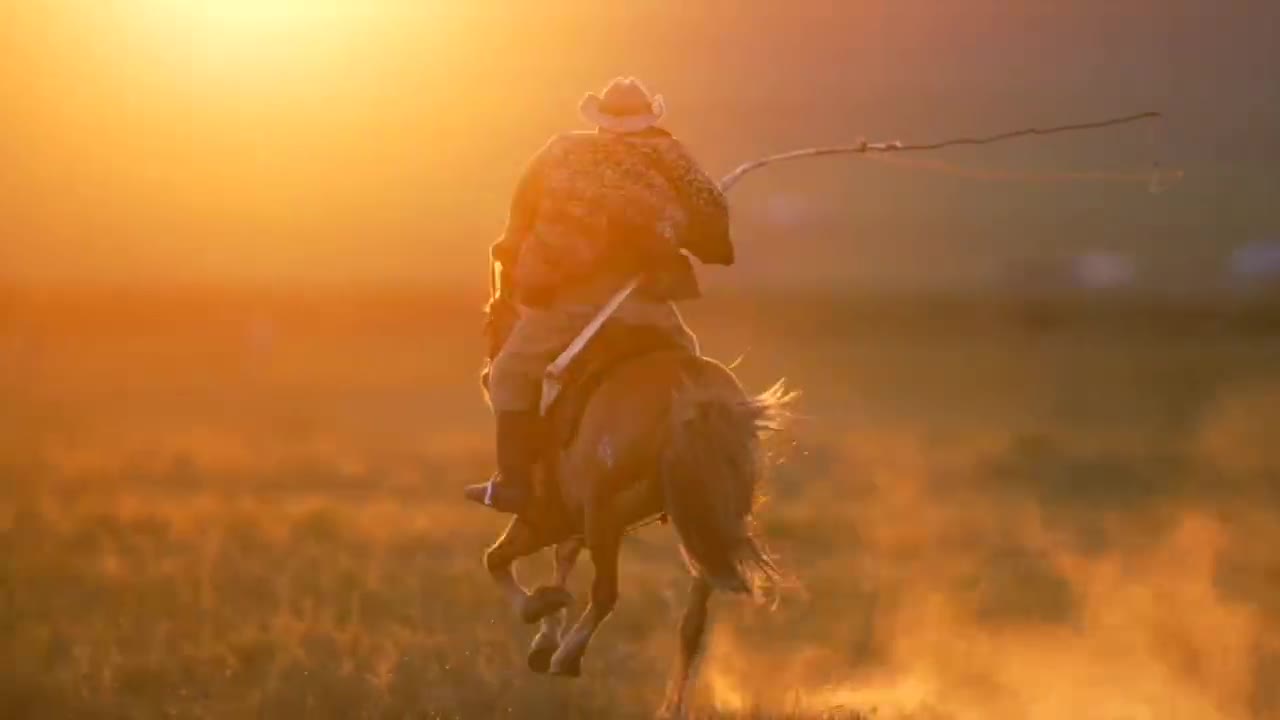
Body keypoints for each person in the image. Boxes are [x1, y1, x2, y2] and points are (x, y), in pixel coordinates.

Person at [463, 76, 735, 515]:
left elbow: (519, 225)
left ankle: (513, 484)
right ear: (649, 117)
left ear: (600, 119)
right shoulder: (672, 156)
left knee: (510, 374)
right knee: (689, 369)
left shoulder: (560, 153)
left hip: (573, 306)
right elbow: (714, 233)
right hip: (646, 305)